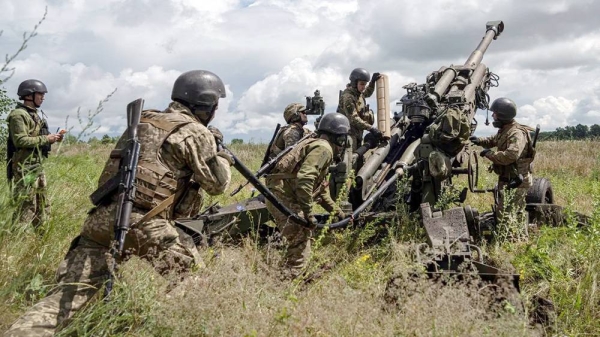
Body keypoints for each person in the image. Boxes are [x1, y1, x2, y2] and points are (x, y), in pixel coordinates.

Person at [4, 70, 233, 336]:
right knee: (195, 281)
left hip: (100, 221)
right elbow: (217, 185)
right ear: (208, 105)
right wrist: (221, 155)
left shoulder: (142, 121)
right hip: (146, 224)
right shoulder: (194, 132)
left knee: (65, 301)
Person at [265, 113, 349, 275]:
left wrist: (339, 214)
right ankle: (292, 279)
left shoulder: (318, 145)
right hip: (282, 194)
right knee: (300, 234)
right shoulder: (324, 149)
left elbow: (321, 193)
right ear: (339, 138)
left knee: (301, 237)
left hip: (279, 193)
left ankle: (291, 273)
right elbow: (305, 180)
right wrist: (309, 215)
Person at [6, 79, 64, 229]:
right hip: (25, 169)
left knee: (43, 204)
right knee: (26, 205)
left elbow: (35, 139)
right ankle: (18, 241)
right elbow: (20, 140)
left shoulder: (34, 115)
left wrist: (53, 138)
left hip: (36, 166)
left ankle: (41, 238)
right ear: (29, 95)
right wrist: (46, 138)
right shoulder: (18, 115)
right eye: (40, 94)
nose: (43, 97)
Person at [470, 97, 535, 226]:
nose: (492, 116)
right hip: (508, 178)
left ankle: (514, 240)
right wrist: (478, 140)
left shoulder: (516, 133)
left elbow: (510, 156)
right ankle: (515, 237)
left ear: (503, 115)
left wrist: (489, 154)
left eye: (495, 113)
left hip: (517, 180)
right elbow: (493, 140)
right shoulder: (506, 129)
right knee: (507, 212)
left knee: (508, 214)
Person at [338, 68, 382, 151]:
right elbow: (353, 118)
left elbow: (367, 93)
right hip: (349, 135)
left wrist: (372, 82)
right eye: (362, 84)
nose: (363, 87)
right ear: (354, 83)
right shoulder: (348, 97)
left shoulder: (358, 94)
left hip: (357, 133)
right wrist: (371, 128)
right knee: (351, 159)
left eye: (365, 84)